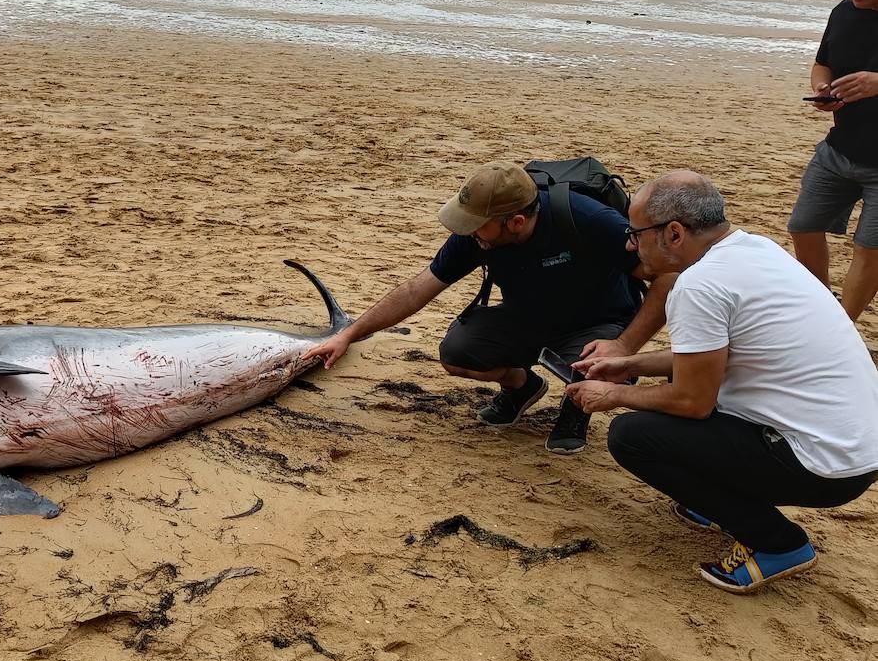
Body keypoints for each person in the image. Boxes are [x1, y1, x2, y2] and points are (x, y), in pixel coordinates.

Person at [569, 171, 878, 594]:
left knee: (632, 435)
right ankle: (717, 503)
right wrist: (629, 364)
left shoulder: (699, 284)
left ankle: (779, 544)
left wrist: (616, 394)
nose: (629, 244)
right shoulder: (755, 249)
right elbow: (711, 359)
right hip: (857, 446)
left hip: (823, 465)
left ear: (674, 234)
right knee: (695, 419)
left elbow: (692, 400)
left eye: (635, 232)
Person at [307, 161, 668, 454]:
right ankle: (521, 386)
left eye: (477, 227)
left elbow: (667, 276)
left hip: (596, 324)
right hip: (528, 318)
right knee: (457, 351)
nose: (469, 233)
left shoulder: (585, 218)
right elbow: (417, 290)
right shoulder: (477, 236)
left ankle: (574, 411)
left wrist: (625, 346)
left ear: (517, 222)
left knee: (599, 373)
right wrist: (350, 334)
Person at [788, 0, 878, 322]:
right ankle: (821, 312)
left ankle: (843, 326)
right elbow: (821, 62)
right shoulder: (843, 12)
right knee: (803, 227)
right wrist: (821, 89)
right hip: (839, 149)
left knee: (870, 247)